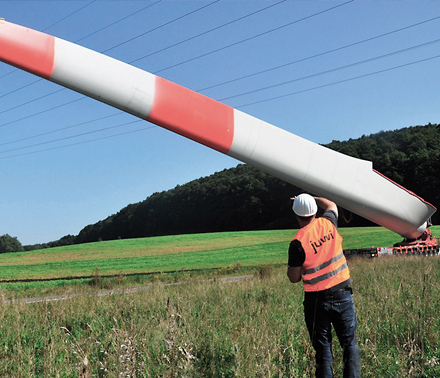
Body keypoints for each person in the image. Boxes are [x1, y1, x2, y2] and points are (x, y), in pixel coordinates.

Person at [287, 193, 360, 378]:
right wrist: (312, 197)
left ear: (296, 215)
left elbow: (293, 277)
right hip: (343, 292)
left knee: (323, 350)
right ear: (315, 211)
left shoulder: (297, 242)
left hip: (316, 300)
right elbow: (331, 204)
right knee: (349, 345)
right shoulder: (328, 222)